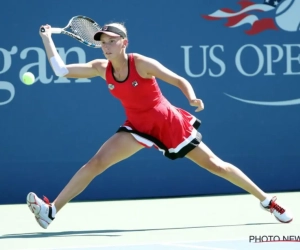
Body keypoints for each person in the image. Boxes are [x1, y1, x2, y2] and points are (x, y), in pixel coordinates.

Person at [27, 22, 293, 229]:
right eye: (103, 43)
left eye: (111, 41)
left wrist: (191, 97)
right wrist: (47, 39)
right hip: (137, 127)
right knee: (96, 163)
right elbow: (61, 70)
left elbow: (178, 80)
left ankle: (268, 201)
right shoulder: (100, 67)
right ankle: (52, 211)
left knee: (217, 166)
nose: (106, 46)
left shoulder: (141, 63)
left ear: (124, 43)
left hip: (169, 124)